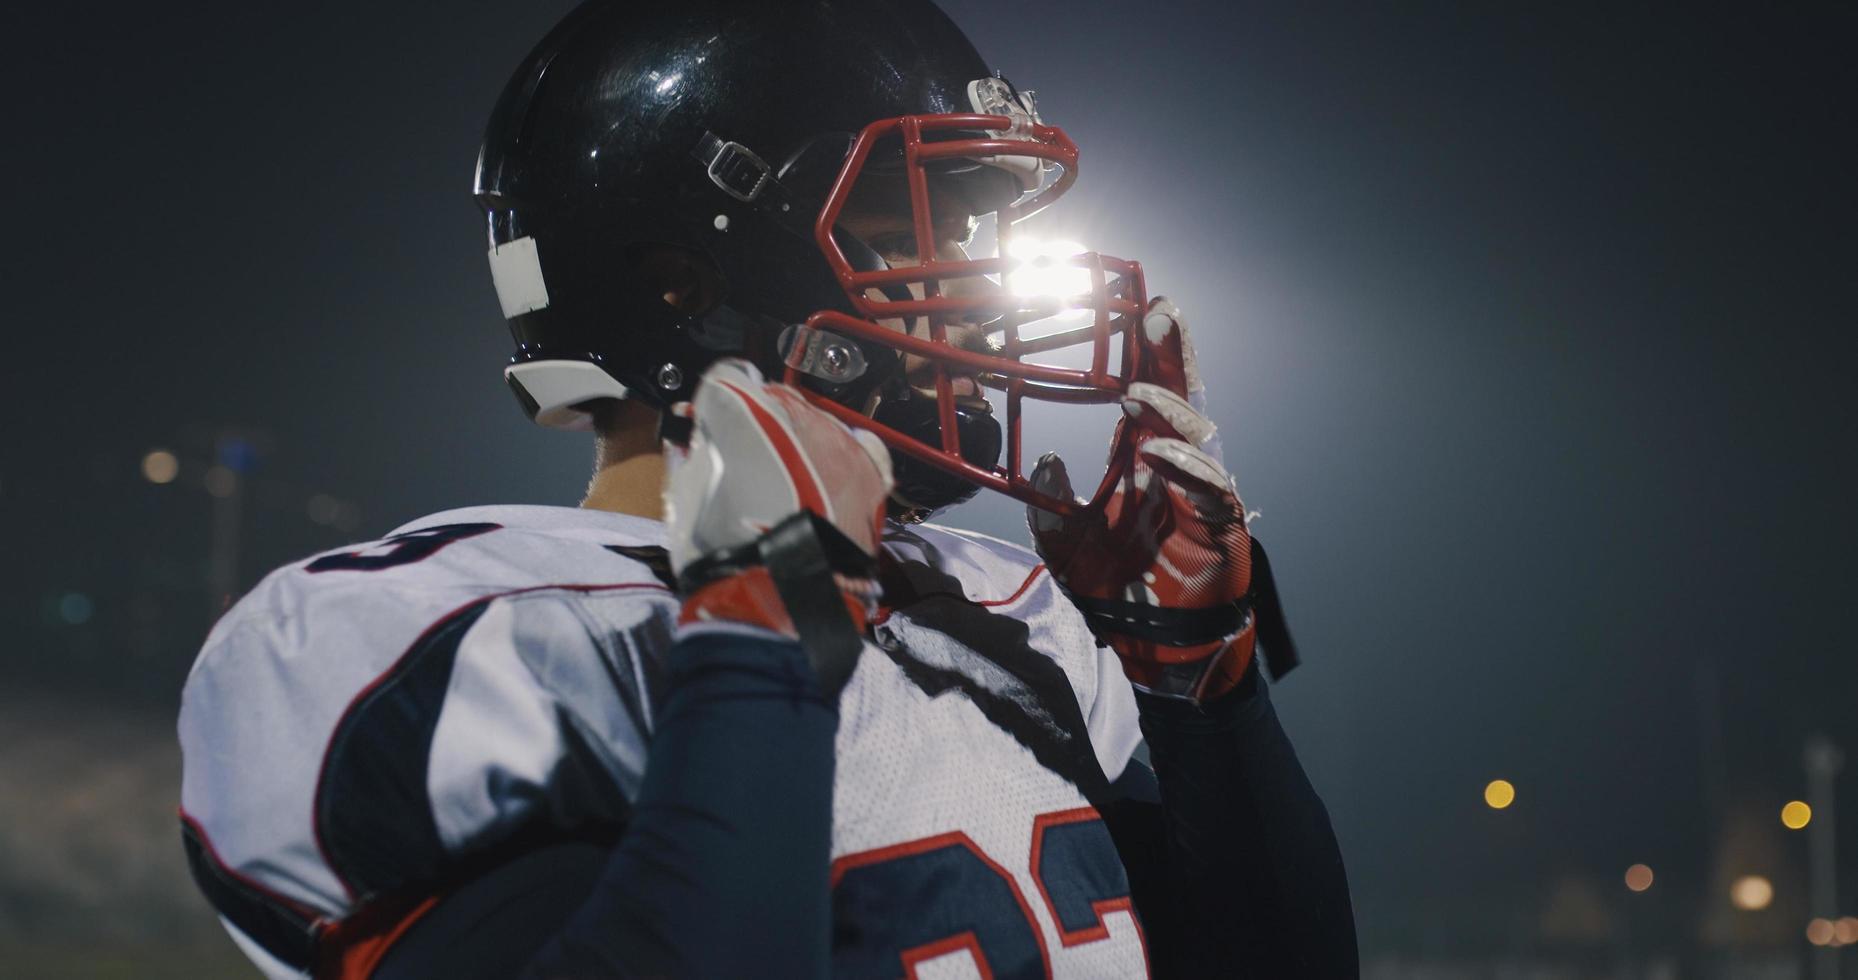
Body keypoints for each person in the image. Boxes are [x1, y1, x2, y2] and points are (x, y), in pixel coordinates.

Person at [178, 1, 1357, 976]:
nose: (980, 297)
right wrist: (764, 630)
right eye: (910, 234)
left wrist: (1199, 682)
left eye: (976, 243)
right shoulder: (460, 637)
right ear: (685, 282)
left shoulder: (1013, 606)